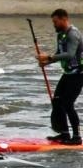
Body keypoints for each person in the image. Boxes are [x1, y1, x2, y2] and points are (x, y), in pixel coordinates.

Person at [35, 8, 82, 145]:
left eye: (55, 22)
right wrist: (46, 62)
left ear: (63, 19)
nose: (54, 25)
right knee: (57, 102)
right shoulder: (61, 35)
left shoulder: (73, 34)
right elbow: (59, 53)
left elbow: (70, 54)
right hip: (67, 73)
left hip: (78, 74)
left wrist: (49, 56)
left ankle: (77, 137)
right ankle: (64, 134)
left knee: (68, 104)